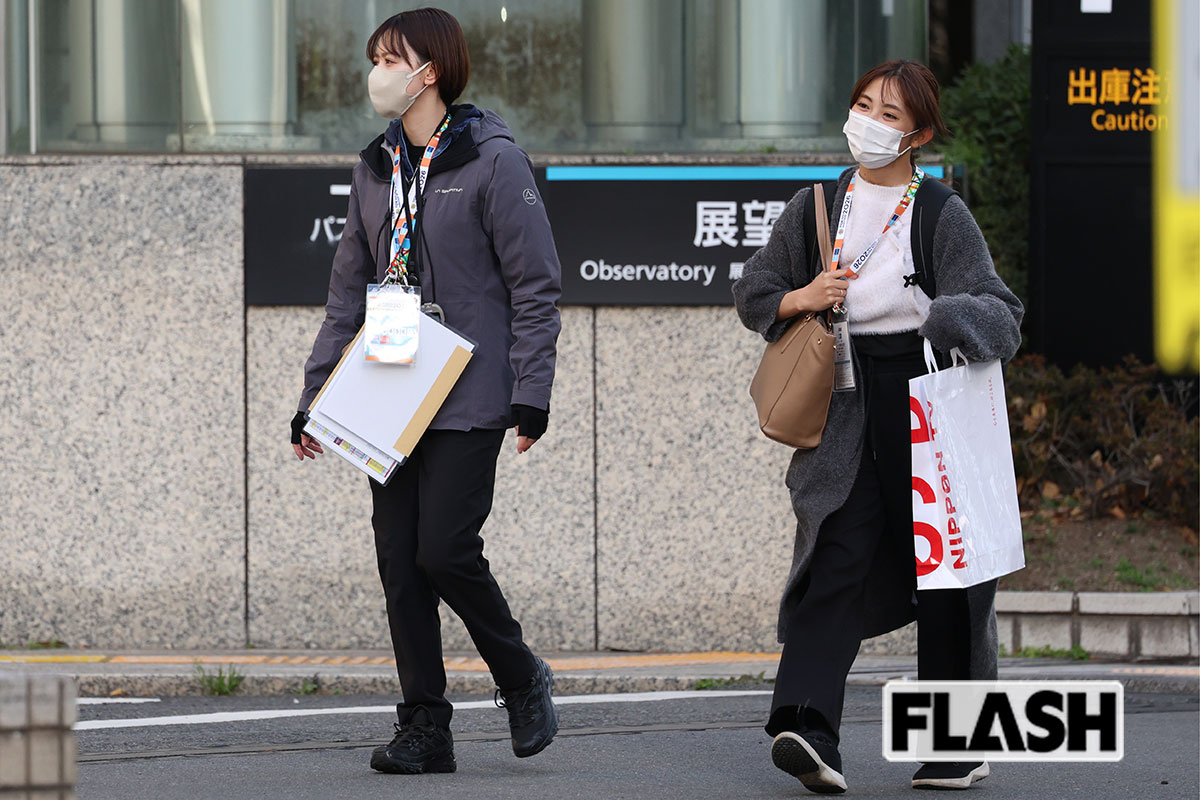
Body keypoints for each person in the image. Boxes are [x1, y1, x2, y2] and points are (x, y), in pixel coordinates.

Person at [733, 59, 1023, 793]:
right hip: (846, 401)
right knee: (835, 548)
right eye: (863, 104)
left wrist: (945, 314)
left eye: (889, 114)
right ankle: (806, 726)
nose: (869, 121)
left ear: (918, 133)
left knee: (945, 570)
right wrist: (803, 295)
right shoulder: (815, 207)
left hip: (928, 398)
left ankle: (955, 746)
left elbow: (1001, 311)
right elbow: (754, 292)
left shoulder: (939, 213)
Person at [289, 7, 562, 775]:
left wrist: (531, 390)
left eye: (390, 57)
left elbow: (536, 287)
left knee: (444, 550)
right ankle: (424, 726)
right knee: (400, 563)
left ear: (429, 71)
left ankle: (519, 674)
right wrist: (317, 398)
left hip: (470, 392)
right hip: (388, 387)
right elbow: (349, 290)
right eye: (375, 58)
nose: (378, 72)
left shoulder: (492, 161)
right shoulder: (376, 166)